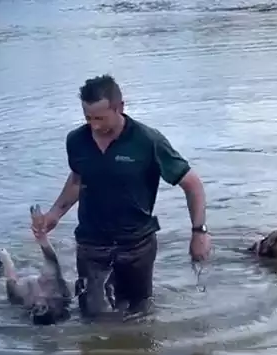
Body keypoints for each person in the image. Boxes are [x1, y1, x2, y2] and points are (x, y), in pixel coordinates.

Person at [31, 74, 211, 315]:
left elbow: (192, 184)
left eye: (100, 118)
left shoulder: (147, 141)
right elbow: (78, 179)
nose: (94, 125)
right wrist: (54, 214)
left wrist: (199, 232)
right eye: (88, 117)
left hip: (136, 246)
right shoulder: (76, 140)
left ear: (120, 107)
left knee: (138, 317)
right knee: (91, 316)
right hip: (91, 245)